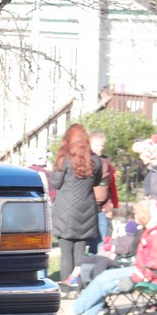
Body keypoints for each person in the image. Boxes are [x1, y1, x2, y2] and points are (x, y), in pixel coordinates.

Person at [57, 196, 157, 315]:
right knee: (103, 280)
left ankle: (73, 313)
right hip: (151, 273)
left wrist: (134, 278)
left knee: (102, 281)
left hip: (151, 277)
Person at [50, 123, 102, 289]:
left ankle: (66, 288)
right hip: (86, 210)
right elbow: (97, 181)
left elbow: (55, 183)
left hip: (65, 210)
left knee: (66, 252)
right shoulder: (94, 161)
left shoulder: (64, 159)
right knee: (80, 252)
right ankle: (80, 287)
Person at [88, 131, 118, 252]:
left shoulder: (106, 162)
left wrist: (113, 204)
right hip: (89, 205)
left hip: (103, 207)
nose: (101, 148)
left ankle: (100, 258)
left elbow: (111, 185)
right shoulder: (86, 161)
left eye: (102, 145)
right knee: (92, 236)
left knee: (103, 232)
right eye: (97, 145)